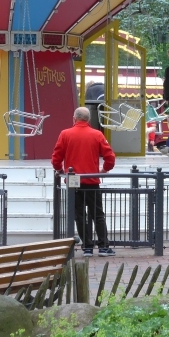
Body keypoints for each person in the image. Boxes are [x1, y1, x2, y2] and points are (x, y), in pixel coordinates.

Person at [51, 107, 116, 257]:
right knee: (97, 214)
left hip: (74, 180)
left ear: (74, 118)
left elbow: (56, 157)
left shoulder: (65, 134)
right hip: (92, 179)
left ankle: (87, 247)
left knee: (79, 215)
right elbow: (110, 157)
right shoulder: (97, 134)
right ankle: (103, 246)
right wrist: (104, 169)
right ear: (88, 119)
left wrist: (59, 170)